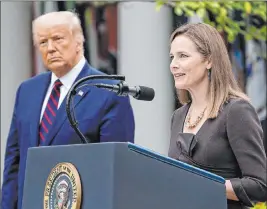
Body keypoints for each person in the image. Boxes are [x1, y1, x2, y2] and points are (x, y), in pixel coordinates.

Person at [1, 11, 135, 209]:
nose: (51, 48)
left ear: (79, 41)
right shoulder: (27, 91)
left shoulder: (108, 92)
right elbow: (14, 162)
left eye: (57, 38)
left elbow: (116, 171)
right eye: (43, 42)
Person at [168, 23, 266, 209]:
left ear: (209, 60)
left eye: (183, 56)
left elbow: (259, 186)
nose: (173, 64)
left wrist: (204, 184)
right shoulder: (178, 116)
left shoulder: (236, 111)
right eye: (172, 57)